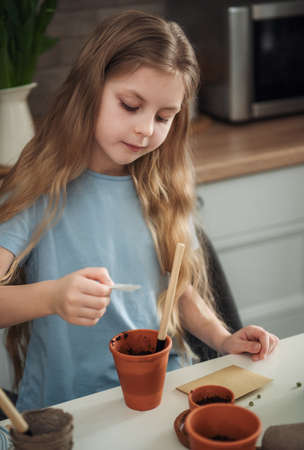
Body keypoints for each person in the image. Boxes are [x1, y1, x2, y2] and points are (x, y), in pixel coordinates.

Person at [0, 10, 278, 412]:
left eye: (164, 117)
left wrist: (223, 339)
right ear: (88, 91)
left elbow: (177, 292)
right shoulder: (41, 187)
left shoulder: (160, 191)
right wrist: (53, 296)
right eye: (131, 105)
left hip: (165, 395)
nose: (147, 129)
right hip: (71, 408)